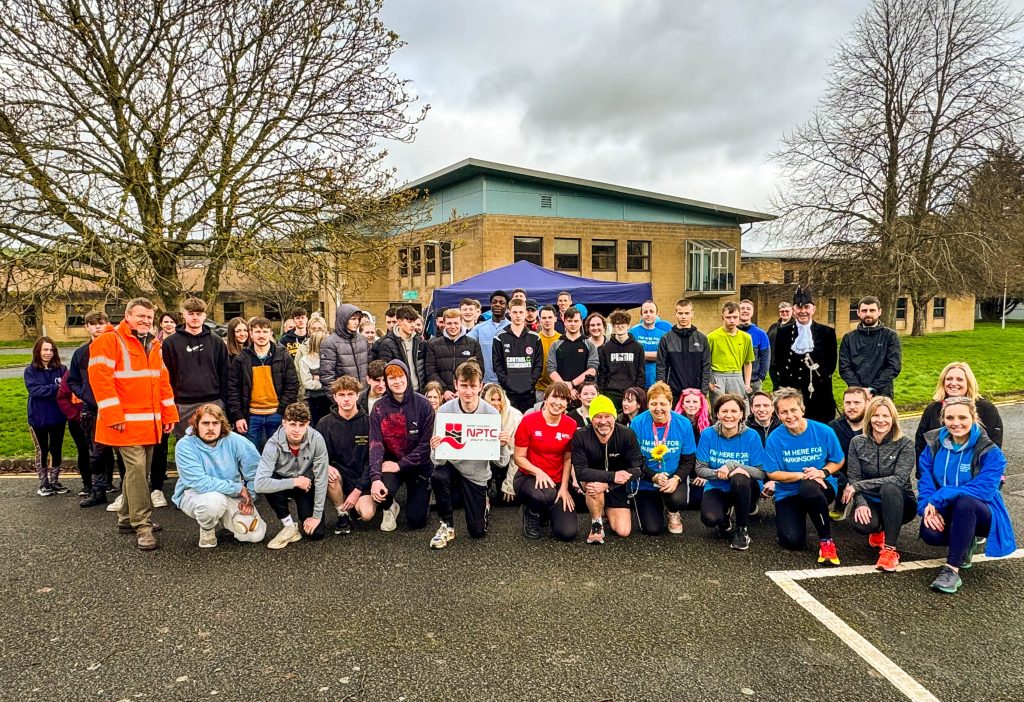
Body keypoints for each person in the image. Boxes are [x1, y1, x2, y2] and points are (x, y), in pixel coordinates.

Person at [88, 297, 178, 551]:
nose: (145, 321)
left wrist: (168, 414)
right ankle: (143, 524)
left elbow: (162, 381)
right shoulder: (109, 341)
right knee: (138, 470)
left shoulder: (153, 344)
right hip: (123, 423)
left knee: (139, 472)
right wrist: (113, 415)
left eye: (149, 318)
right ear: (127, 316)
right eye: (140, 316)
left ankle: (126, 518)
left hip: (149, 422)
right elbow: (100, 382)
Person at [918, 397, 1016, 593]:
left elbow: (984, 490)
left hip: (982, 512)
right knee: (930, 533)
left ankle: (951, 570)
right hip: (948, 509)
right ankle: (964, 539)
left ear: (973, 417)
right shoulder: (933, 445)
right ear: (943, 419)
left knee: (965, 502)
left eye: (962, 417)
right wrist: (928, 507)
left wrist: (942, 495)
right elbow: (925, 482)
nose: (956, 423)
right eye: (950, 418)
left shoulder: (990, 450)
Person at [428, 361, 511, 548]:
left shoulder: (491, 414)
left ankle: (484, 504)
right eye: (463, 385)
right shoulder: (444, 411)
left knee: (477, 532)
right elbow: (437, 460)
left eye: (473, 386)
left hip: (477, 474)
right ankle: (446, 525)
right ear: (456, 384)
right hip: (452, 467)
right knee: (438, 475)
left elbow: (502, 462)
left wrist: (503, 445)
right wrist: (435, 447)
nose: (468, 391)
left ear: (480, 386)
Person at [764, 387, 844, 565]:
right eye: (783, 412)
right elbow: (772, 473)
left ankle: (826, 541)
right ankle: (800, 512)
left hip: (821, 486)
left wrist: (822, 472)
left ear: (802, 409)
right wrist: (801, 475)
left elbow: (838, 460)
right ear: (777, 414)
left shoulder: (823, 431)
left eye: (793, 410)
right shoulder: (775, 438)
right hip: (788, 491)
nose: (790, 416)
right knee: (792, 541)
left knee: (809, 489)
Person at [172, 403, 267, 548]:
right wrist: (238, 489)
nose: (210, 428)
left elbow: (255, 471)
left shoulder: (235, 440)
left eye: (215, 423)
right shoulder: (185, 445)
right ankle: (208, 529)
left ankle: (224, 521)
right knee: (214, 502)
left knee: (254, 535)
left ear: (221, 424)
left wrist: (250, 498)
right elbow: (199, 483)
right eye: (205, 423)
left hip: (231, 494)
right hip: (197, 494)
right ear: (196, 424)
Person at [843, 396, 916, 571]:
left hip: (901, 502)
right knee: (862, 525)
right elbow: (853, 476)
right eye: (876, 415)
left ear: (893, 419)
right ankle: (878, 530)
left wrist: (857, 487)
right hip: (871, 499)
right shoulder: (857, 442)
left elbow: (898, 479)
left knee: (890, 488)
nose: (880, 420)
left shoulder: (905, 444)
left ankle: (890, 550)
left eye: (886, 416)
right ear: (869, 417)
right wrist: (860, 502)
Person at [368, 360, 435, 532]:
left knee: (416, 520)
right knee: (380, 494)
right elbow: (375, 445)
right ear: (386, 381)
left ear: (407, 377)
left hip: (418, 465)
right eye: (391, 378)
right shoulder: (378, 408)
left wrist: (400, 465)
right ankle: (390, 507)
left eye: (400, 376)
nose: (397, 381)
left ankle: (425, 495)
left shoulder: (423, 405)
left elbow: (425, 447)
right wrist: (375, 479)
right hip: (391, 462)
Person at [694, 394, 767, 550]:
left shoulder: (751, 436)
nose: (729, 415)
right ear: (717, 414)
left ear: (741, 414)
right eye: (724, 411)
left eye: (734, 411)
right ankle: (725, 515)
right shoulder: (708, 434)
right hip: (717, 486)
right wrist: (724, 473)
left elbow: (761, 472)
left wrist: (733, 466)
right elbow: (699, 469)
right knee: (710, 519)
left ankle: (742, 530)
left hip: (746, 486)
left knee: (739, 478)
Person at [571, 394, 644, 545]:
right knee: (594, 486)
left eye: (607, 416)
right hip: (593, 484)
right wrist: (612, 476)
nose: (603, 422)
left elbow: (637, 468)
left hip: (616, 485)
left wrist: (609, 483)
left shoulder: (626, 434)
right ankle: (596, 523)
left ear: (615, 417)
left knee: (623, 531)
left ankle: (605, 509)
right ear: (591, 419)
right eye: (598, 417)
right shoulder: (581, 435)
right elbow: (581, 471)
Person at [254, 402, 329, 549]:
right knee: (268, 482)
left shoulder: (317, 440)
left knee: (316, 534)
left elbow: (321, 478)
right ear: (284, 423)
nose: (296, 429)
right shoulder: (272, 444)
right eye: (292, 424)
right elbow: (259, 484)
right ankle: (288, 525)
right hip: (283, 483)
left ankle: (306, 516)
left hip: (306, 484)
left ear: (307, 424)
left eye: (301, 425)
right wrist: (294, 481)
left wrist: (317, 516)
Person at [630, 381, 698, 536]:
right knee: (652, 529)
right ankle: (656, 504)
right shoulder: (637, 423)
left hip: (673, 477)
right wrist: (653, 476)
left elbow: (688, 460)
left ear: (671, 403)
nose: (658, 408)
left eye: (663, 403)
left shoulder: (684, 424)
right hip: (647, 479)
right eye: (653, 403)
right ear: (648, 404)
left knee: (677, 500)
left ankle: (673, 510)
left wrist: (676, 479)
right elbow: (634, 460)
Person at [72, 311, 126, 508]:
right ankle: (98, 491)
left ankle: (125, 492)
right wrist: (87, 394)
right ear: (86, 327)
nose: (97, 327)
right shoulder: (80, 353)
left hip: (117, 408)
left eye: (100, 323)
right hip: (93, 410)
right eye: (92, 324)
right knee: (97, 454)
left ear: (107, 324)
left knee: (123, 453)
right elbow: (73, 381)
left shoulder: (119, 348)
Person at [514, 382, 579, 541]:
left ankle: (546, 512)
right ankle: (531, 512)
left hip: (556, 482)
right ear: (545, 398)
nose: (558, 402)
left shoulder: (571, 424)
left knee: (567, 533)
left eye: (563, 399)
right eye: (554, 397)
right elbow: (518, 458)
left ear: (567, 403)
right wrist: (538, 472)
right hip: (528, 479)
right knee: (546, 494)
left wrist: (564, 488)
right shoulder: (528, 421)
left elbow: (568, 458)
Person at [226, 316, 298, 452]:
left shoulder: (283, 356)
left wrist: (282, 411)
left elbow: (292, 385)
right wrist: (238, 416)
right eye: (257, 332)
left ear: (271, 333)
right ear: (251, 334)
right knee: (251, 455)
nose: (261, 335)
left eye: (265, 332)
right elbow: (233, 390)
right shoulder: (241, 359)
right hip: (251, 416)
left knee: (278, 454)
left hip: (276, 414)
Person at [317, 376, 376, 535]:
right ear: (335, 397)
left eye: (350, 394)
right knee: (329, 475)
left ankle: (354, 505)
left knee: (367, 514)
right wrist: (326, 466)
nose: (346, 399)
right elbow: (318, 455)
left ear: (358, 395)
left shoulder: (369, 423)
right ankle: (342, 513)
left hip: (362, 478)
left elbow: (372, 462)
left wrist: (358, 490)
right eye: (341, 395)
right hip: (340, 478)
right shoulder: (324, 424)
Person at [770, 288, 838, 423]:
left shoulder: (827, 332)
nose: (803, 311)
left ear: (813, 309)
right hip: (791, 392)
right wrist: (782, 390)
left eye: (806, 307)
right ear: (794, 309)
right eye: (799, 307)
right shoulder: (782, 332)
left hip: (818, 393)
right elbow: (777, 364)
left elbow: (830, 365)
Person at [914, 361, 1003, 463]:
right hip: (938, 472)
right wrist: (923, 474)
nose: (953, 383)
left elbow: (994, 445)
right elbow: (921, 443)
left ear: (968, 382)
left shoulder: (986, 409)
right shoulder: (932, 409)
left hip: (976, 471)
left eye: (960, 379)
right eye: (949, 379)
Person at [25, 337, 67, 496]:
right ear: (38, 351)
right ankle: (44, 483)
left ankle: (55, 481)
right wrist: (56, 388)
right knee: (43, 450)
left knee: (56, 449)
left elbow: (66, 389)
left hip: (58, 416)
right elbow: (35, 391)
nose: (48, 353)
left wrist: (52, 389)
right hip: (38, 418)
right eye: (45, 349)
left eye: (51, 350)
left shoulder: (62, 370)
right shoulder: (30, 371)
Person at [838, 296, 902, 398]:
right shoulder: (849, 338)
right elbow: (844, 368)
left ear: (879, 312)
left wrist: (872, 389)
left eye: (872, 310)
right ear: (858, 313)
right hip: (856, 395)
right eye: (864, 310)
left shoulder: (890, 336)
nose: (868, 314)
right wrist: (859, 390)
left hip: (882, 395)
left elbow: (893, 367)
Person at [655, 298, 711, 405]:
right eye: (680, 313)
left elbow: (706, 367)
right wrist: (663, 391)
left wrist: (703, 393)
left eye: (686, 313)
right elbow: (661, 367)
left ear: (692, 314)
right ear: (675, 314)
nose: (683, 316)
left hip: (696, 393)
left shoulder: (702, 339)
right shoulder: (666, 339)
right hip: (673, 393)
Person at [492, 298, 543, 413]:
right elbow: (497, 364)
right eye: (515, 312)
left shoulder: (535, 338)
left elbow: (538, 364)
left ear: (525, 313)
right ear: (509, 313)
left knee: (527, 425)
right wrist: (507, 382)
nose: (518, 315)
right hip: (508, 392)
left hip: (528, 393)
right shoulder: (500, 337)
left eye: (521, 312)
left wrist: (531, 382)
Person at [424, 307, 485, 400]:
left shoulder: (473, 343)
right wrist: (444, 390)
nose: (453, 326)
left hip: (466, 395)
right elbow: (431, 371)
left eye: (456, 323)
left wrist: (462, 390)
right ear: (444, 324)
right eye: (449, 323)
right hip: (442, 395)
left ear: (461, 323)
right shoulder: (433, 345)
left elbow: (479, 370)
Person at [828, 387, 868, 520]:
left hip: (866, 475)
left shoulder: (875, 426)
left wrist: (857, 484)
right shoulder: (833, 427)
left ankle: (865, 502)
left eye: (857, 403)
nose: (851, 407)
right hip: (842, 473)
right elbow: (826, 458)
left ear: (867, 403)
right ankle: (841, 501)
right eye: (848, 403)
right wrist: (844, 481)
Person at [707, 302, 754, 408]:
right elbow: (705, 362)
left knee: (740, 407)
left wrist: (747, 383)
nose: (732, 320)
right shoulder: (712, 337)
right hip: (717, 376)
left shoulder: (746, 337)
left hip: (736, 376)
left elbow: (748, 362)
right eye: (728, 317)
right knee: (718, 408)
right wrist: (709, 383)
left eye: (735, 317)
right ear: (722, 317)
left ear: (739, 317)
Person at [546, 306, 598, 402]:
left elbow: (592, 370)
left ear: (581, 322)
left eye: (576, 321)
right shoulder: (555, 345)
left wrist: (572, 384)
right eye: (570, 321)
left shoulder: (590, 345)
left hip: (584, 396)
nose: (573, 324)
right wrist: (566, 388)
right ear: (564, 321)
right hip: (561, 395)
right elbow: (551, 370)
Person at [597, 309, 645, 411]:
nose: (620, 326)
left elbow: (641, 373)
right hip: (611, 393)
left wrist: (636, 392)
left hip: (631, 393)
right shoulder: (606, 348)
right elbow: (603, 373)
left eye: (623, 323)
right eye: (617, 324)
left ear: (628, 325)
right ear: (613, 326)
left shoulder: (638, 347)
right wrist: (601, 392)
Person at [483, 383, 523, 504]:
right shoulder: (478, 414)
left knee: (506, 501)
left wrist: (509, 484)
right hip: (484, 461)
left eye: (499, 399)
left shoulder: (515, 418)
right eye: (492, 400)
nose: (496, 403)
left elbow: (517, 454)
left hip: (507, 462)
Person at [372, 305, 425, 392]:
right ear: (399, 322)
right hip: (398, 392)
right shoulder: (387, 344)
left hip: (418, 391)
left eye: (414, 322)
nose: (413, 325)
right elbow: (386, 372)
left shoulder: (420, 342)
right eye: (409, 322)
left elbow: (423, 369)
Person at [319, 303, 369, 390]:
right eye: (353, 319)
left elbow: (369, 368)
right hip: (344, 396)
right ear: (343, 320)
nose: (356, 322)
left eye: (358, 319)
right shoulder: (330, 343)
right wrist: (337, 399)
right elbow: (327, 377)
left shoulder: (363, 340)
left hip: (364, 394)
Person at [467, 290, 510, 383]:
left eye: (502, 303)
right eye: (494, 302)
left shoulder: (513, 328)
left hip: (508, 382)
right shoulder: (479, 328)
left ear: (507, 307)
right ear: (490, 305)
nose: (497, 305)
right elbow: (465, 342)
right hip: (485, 381)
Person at [630, 300, 672, 388]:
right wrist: (655, 355)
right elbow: (630, 355)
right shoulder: (632, 333)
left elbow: (666, 356)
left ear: (657, 314)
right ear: (641, 315)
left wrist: (640, 355)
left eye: (651, 311)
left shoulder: (663, 335)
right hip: (636, 382)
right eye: (645, 312)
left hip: (657, 383)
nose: (648, 314)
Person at [296, 329, 330, 427]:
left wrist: (318, 378)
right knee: (318, 425)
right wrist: (325, 382)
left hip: (331, 398)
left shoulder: (331, 357)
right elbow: (308, 383)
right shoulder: (305, 360)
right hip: (315, 399)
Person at [737, 299, 771, 396]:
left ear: (753, 312)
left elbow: (766, 357)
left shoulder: (761, 334)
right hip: (734, 379)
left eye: (748, 309)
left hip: (754, 381)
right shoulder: (732, 332)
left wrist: (761, 377)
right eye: (742, 308)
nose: (745, 311)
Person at [534, 305, 561, 400]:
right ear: (540, 320)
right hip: (540, 389)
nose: (547, 320)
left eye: (550, 317)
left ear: (555, 318)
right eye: (544, 318)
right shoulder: (534, 339)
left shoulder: (562, 339)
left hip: (559, 388)